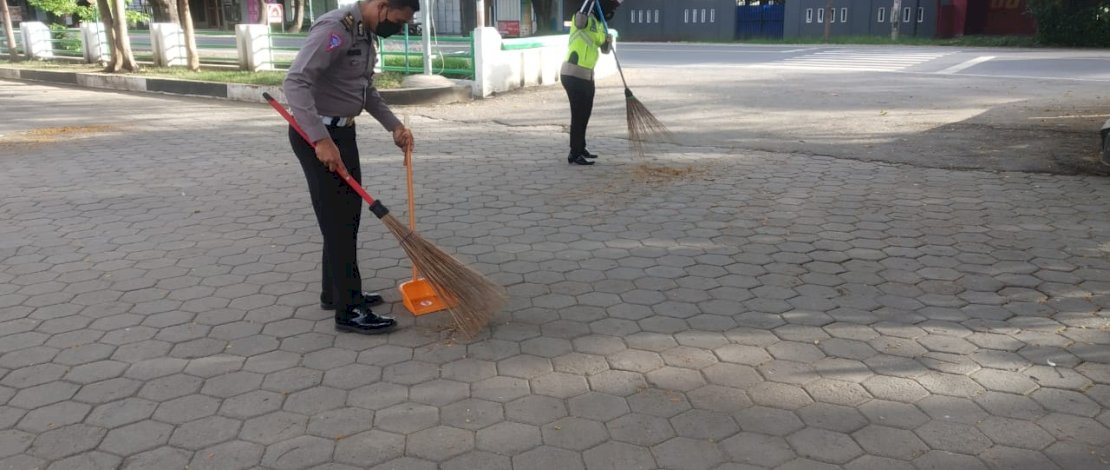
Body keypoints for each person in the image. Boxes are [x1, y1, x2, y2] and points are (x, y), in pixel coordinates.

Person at [283, 0, 417, 335]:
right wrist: (320, 140)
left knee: (345, 217)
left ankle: (335, 292)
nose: (397, 29)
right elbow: (295, 81)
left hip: (343, 132)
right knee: (339, 220)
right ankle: (349, 309)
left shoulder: (364, 33)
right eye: (398, 21)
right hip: (319, 137)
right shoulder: (335, 29)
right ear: (381, 6)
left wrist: (394, 126)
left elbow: (365, 89)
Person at [561, 0, 622, 166]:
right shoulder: (581, 17)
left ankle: (581, 147)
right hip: (573, 73)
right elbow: (581, 21)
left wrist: (608, 41)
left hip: (587, 75)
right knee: (579, 114)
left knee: (585, 114)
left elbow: (604, 50)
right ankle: (574, 153)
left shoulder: (599, 24)